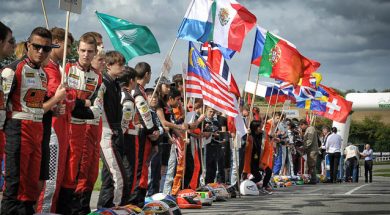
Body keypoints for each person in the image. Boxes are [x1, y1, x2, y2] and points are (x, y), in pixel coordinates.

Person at [0, 27, 66, 214]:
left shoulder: (42, 74)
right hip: (18, 130)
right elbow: (2, 106)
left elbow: (38, 106)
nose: (41, 52)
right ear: (28, 45)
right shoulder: (12, 70)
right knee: (15, 186)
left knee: (31, 187)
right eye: (36, 47)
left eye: (46, 48)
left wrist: (54, 109)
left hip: (37, 132)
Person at [57, 33, 101, 214]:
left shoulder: (97, 76)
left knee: (79, 169)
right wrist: (82, 104)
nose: (86, 55)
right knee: (64, 169)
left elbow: (96, 107)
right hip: (66, 125)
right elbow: (67, 100)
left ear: (95, 52)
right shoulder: (66, 68)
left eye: (90, 51)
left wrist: (78, 105)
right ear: (77, 50)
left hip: (84, 126)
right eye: (83, 50)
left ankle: (75, 208)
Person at [35, 27, 74, 214]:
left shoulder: (58, 68)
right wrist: (58, 100)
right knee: (50, 180)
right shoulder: (48, 68)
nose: (70, 51)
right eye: (68, 46)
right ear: (57, 42)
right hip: (52, 131)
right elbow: (48, 98)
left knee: (58, 178)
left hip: (61, 128)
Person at [75, 32, 105, 214]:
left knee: (92, 171)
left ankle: (84, 207)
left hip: (96, 126)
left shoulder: (98, 77)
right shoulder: (71, 69)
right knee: (80, 169)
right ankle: (77, 207)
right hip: (81, 125)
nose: (100, 54)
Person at [97, 51, 128, 208]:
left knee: (109, 178)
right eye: (120, 64)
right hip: (106, 133)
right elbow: (97, 107)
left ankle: (105, 208)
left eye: (123, 64)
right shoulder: (103, 83)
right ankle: (117, 207)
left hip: (116, 133)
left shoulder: (116, 84)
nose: (123, 67)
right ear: (109, 65)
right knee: (120, 177)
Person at [128, 62, 160, 207]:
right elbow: (143, 116)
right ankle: (135, 201)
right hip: (138, 133)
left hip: (144, 134)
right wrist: (152, 132)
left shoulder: (139, 90)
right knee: (139, 168)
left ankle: (138, 201)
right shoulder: (137, 91)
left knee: (143, 168)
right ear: (147, 74)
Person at [299, 119, 318, 184]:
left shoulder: (310, 129)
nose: (301, 128)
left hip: (312, 150)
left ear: (304, 124)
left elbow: (310, 140)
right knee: (310, 165)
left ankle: (313, 179)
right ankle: (312, 179)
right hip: (310, 149)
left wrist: (304, 147)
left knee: (312, 164)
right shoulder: (308, 129)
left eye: (301, 126)